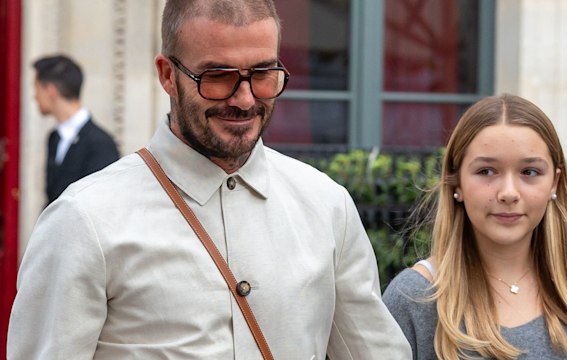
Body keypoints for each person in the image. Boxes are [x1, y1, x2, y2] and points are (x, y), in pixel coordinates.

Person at [8, 1, 411, 359]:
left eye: (264, 74)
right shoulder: (83, 220)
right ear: (167, 75)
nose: (245, 99)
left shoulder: (327, 206)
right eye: (217, 76)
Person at [382, 94, 567, 359]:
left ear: (554, 184)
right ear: (456, 183)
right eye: (486, 171)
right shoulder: (414, 298)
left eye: (529, 172)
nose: (509, 193)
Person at [32, 54, 120, 205]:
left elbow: (101, 204)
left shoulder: (101, 144)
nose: (35, 96)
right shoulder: (53, 138)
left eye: (37, 88)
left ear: (51, 90)